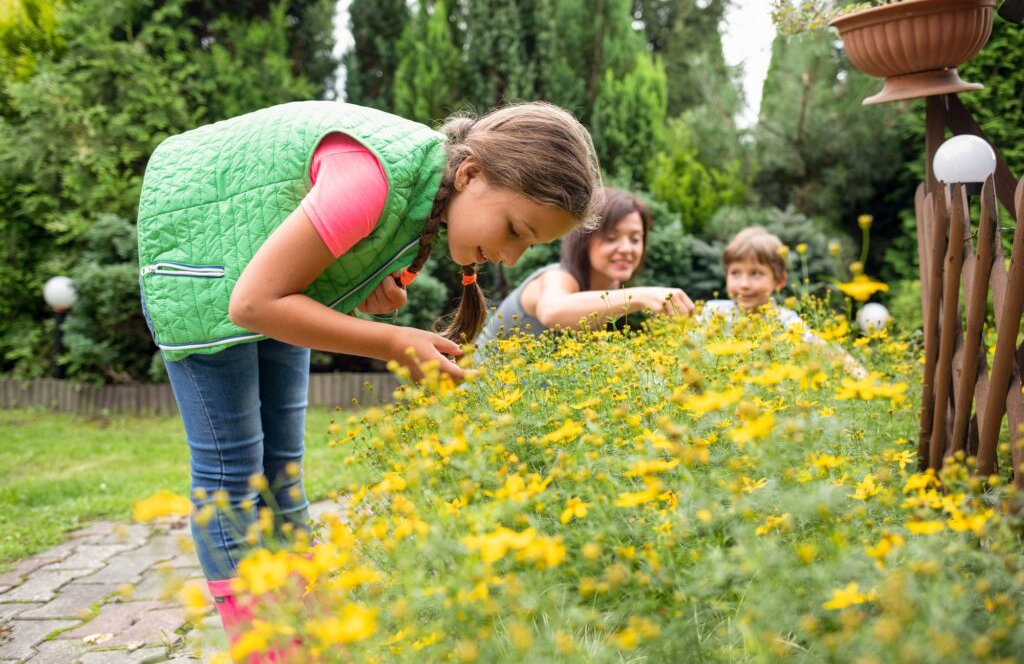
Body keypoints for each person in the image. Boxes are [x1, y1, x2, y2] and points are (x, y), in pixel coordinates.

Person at [135, 100, 603, 648]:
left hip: (258, 278)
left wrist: (367, 288)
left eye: (530, 245)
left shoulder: (428, 192)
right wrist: (393, 342)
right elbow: (253, 304)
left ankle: (301, 631)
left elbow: (311, 251)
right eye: (515, 229)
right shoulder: (370, 181)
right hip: (202, 257)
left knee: (281, 474)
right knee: (231, 477)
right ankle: (268, 651)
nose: (511, 256)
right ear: (470, 172)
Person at [476, 188, 694, 346]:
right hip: (481, 396)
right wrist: (641, 296)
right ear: (584, 241)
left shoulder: (609, 288)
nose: (627, 249)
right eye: (611, 238)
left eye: (636, 239)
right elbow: (552, 312)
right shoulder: (557, 277)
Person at [701, 227, 867, 377]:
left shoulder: (786, 321)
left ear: (779, 281)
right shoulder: (712, 312)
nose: (744, 284)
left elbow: (826, 349)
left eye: (756, 273)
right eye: (735, 273)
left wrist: (866, 381)